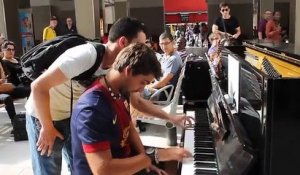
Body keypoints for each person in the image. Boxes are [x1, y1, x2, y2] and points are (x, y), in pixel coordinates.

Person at [25, 17, 191, 175]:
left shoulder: (119, 75)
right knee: (48, 169)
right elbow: (38, 86)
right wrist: (46, 127)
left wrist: (171, 118)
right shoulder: (86, 55)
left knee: (78, 163)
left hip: (72, 113)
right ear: (123, 42)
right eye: (140, 45)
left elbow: (137, 102)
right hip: (44, 113)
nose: (144, 50)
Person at [71, 43, 191, 175]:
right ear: (128, 71)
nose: (142, 89)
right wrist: (152, 156)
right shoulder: (92, 109)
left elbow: (129, 128)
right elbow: (103, 169)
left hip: (125, 162)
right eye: (143, 82)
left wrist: (146, 161)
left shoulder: (120, 89)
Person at [144, 32, 182, 99]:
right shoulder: (165, 56)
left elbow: (163, 83)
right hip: (159, 88)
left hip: (163, 92)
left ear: (173, 42)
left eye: (166, 43)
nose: (164, 47)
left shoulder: (173, 59)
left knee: (136, 93)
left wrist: (149, 87)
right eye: (161, 44)